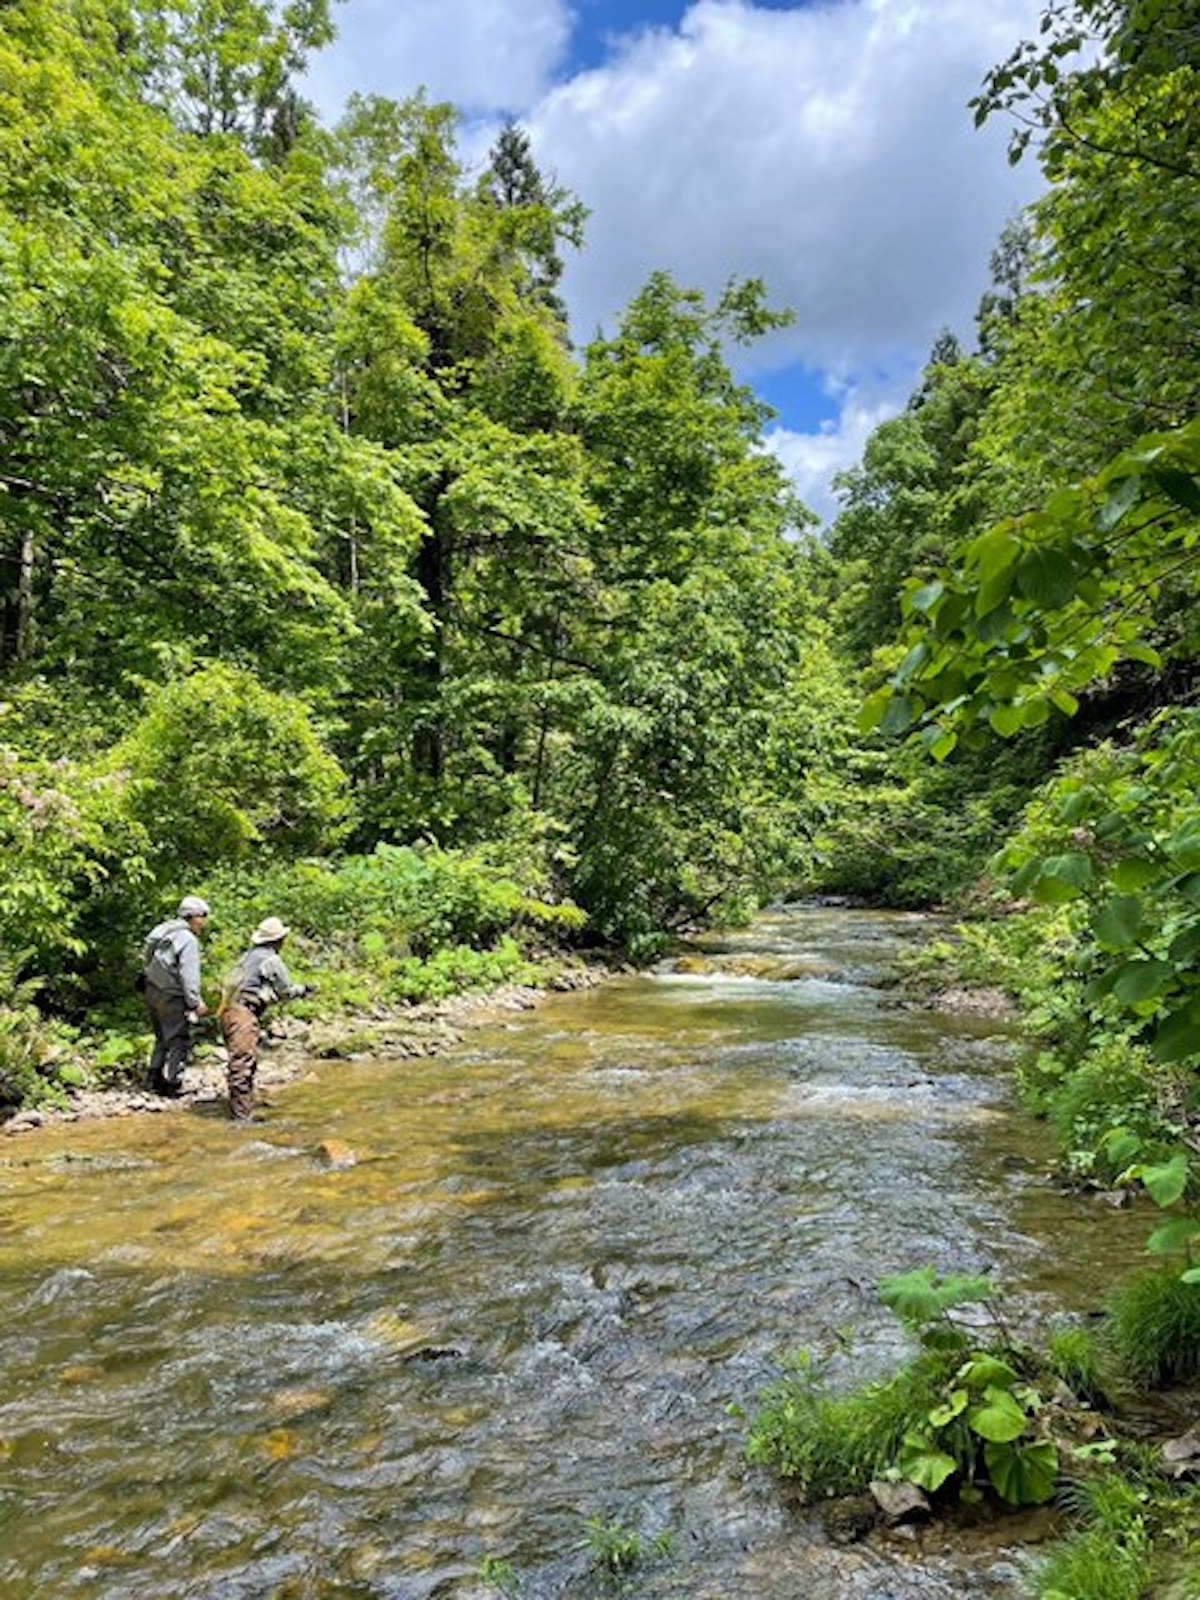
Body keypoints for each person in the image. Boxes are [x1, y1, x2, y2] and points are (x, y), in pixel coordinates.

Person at [219, 916, 310, 1121]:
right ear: (279, 940)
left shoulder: (247, 956)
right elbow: (285, 991)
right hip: (243, 1013)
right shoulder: (271, 960)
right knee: (242, 1065)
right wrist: (303, 990)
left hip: (228, 1011)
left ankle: (243, 1108)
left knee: (243, 1062)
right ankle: (241, 1119)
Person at [141, 895, 211, 1097]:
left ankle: (154, 1077)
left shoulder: (164, 930)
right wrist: (195, 1002)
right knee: (178, 1039)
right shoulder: (188, 940)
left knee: (161, 1036)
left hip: (151, 988)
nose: (204, 922)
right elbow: (189, 976)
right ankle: (174, 1083)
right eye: (203, 917)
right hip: (171, 995)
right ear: (194, 916)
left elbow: (146, 956)